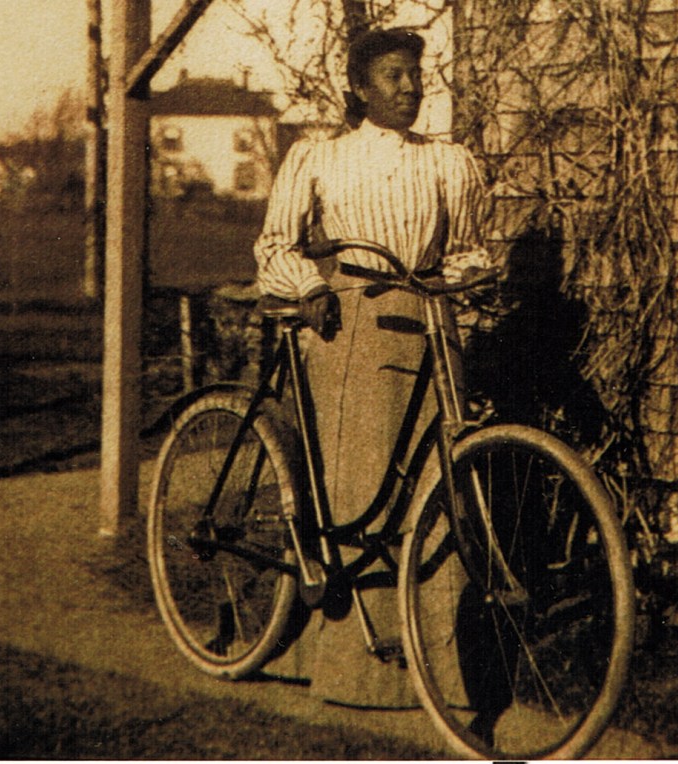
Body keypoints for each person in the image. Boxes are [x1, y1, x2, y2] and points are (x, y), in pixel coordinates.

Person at [254, 27, 494, 707]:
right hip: (351, 326)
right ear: (359, 88)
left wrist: (461, 279)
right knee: (357, 495)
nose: (410, 87)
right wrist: (310, 288)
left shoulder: (449, 162)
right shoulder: (320, 157)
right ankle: (355, 669)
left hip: (430, 329)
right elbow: (276, 243)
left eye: (416, 75)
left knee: (435, 493)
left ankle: (437, 674)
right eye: (392, 75)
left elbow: (472, 249)